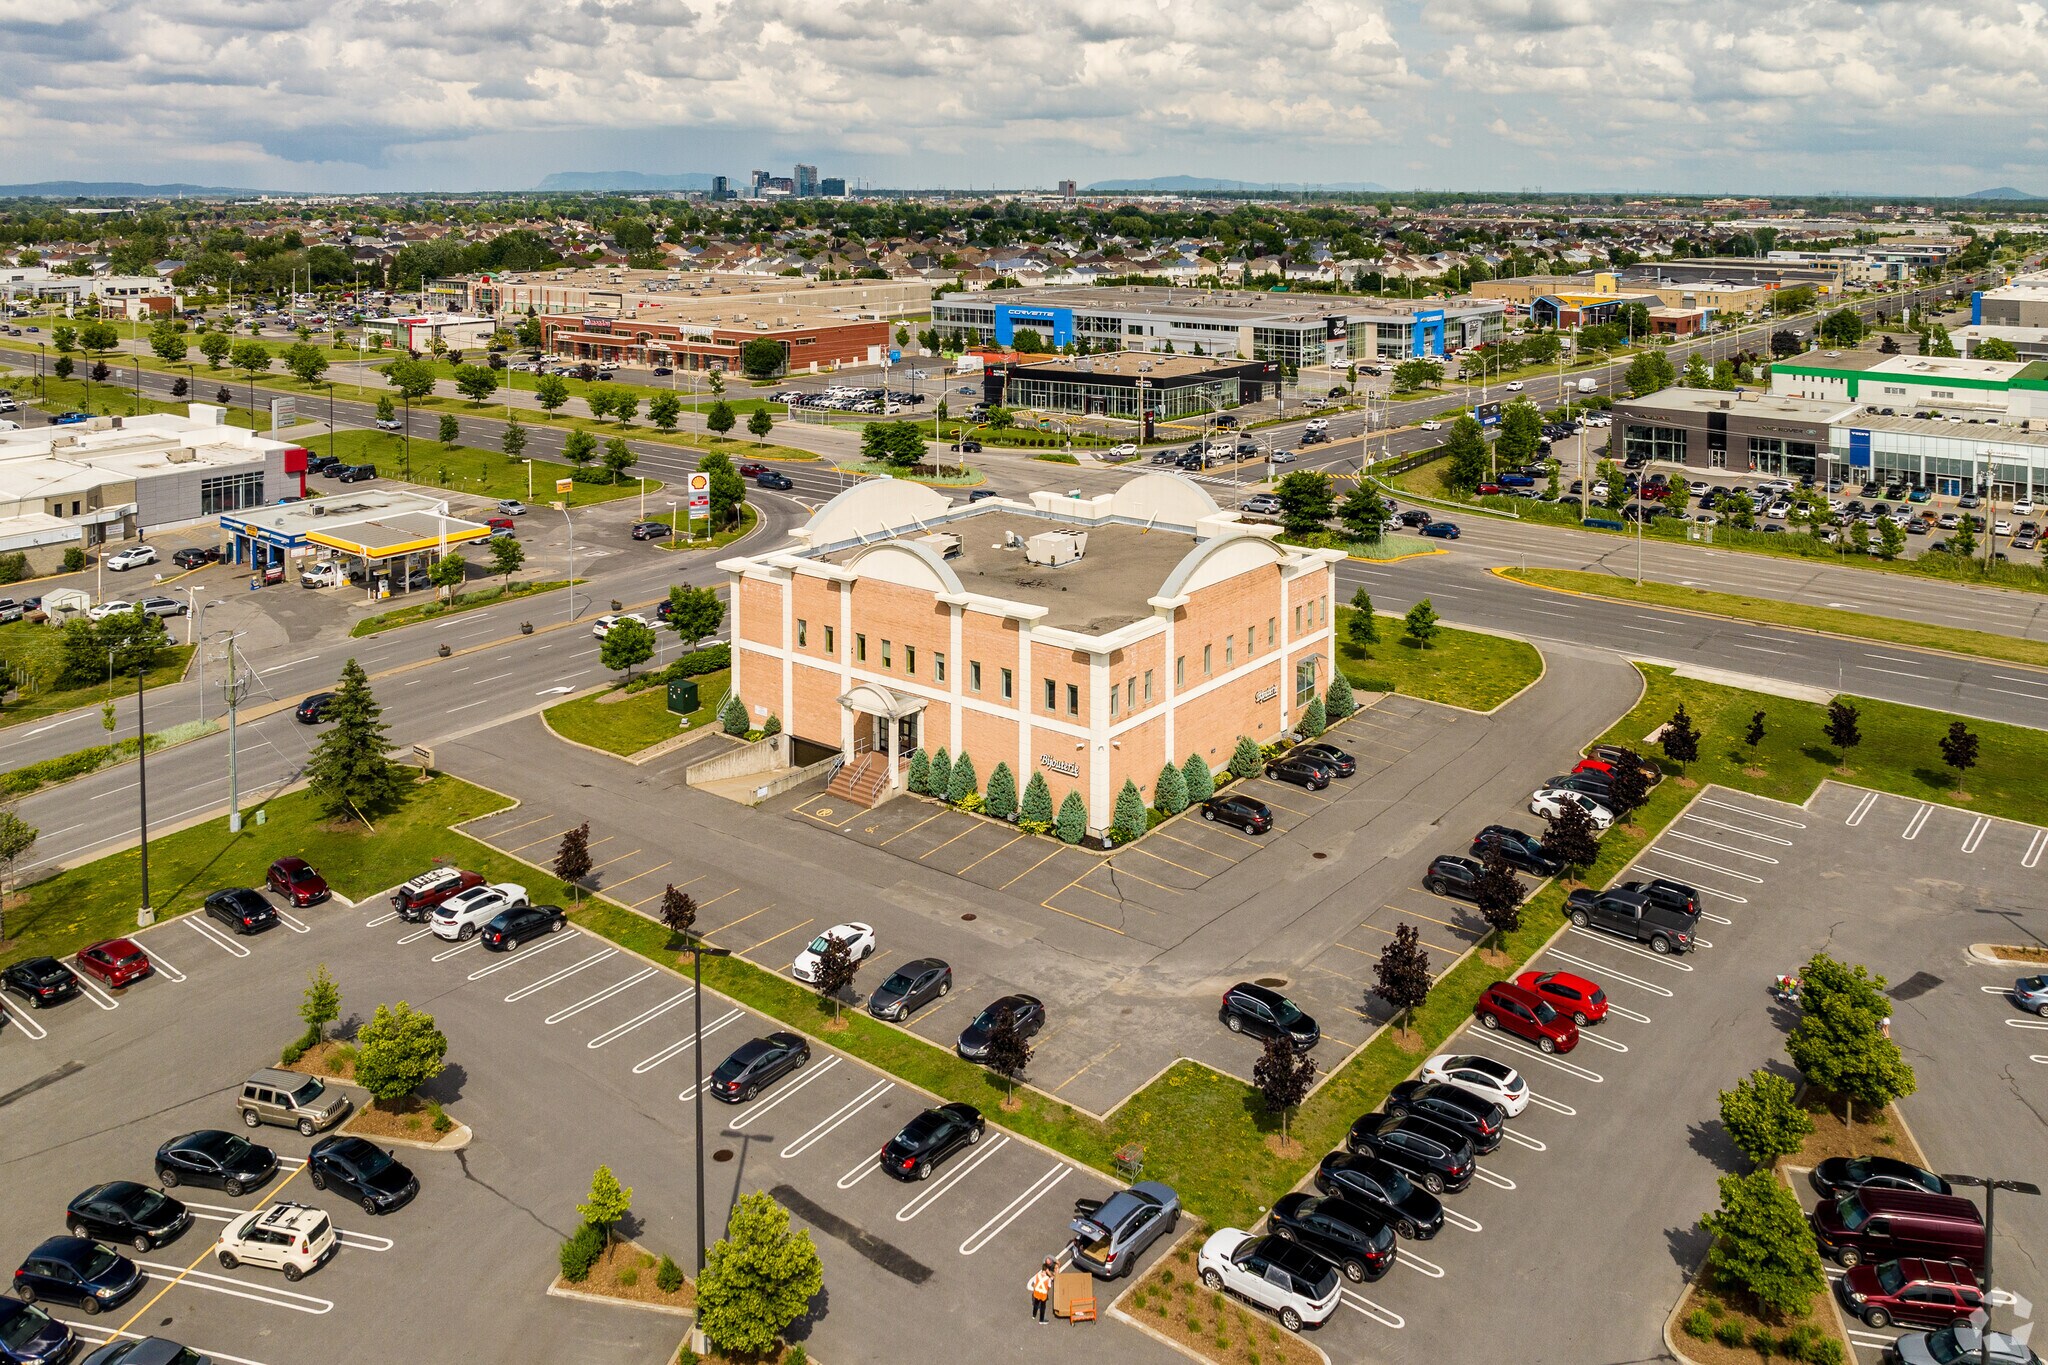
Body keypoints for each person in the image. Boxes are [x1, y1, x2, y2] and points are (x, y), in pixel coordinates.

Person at [1029, 1258, 1054, 1323]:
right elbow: (1049, 1287)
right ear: (1046, 1270)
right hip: (1043, 1295)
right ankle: (1041, 1320)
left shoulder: (1037, 1275)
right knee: (1043, 1307)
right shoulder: (1047, 1278)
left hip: (1036, 1293)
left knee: (1036, 1304)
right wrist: (1051, 1280)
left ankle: (1034, 1315)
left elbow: (1034, 1284)